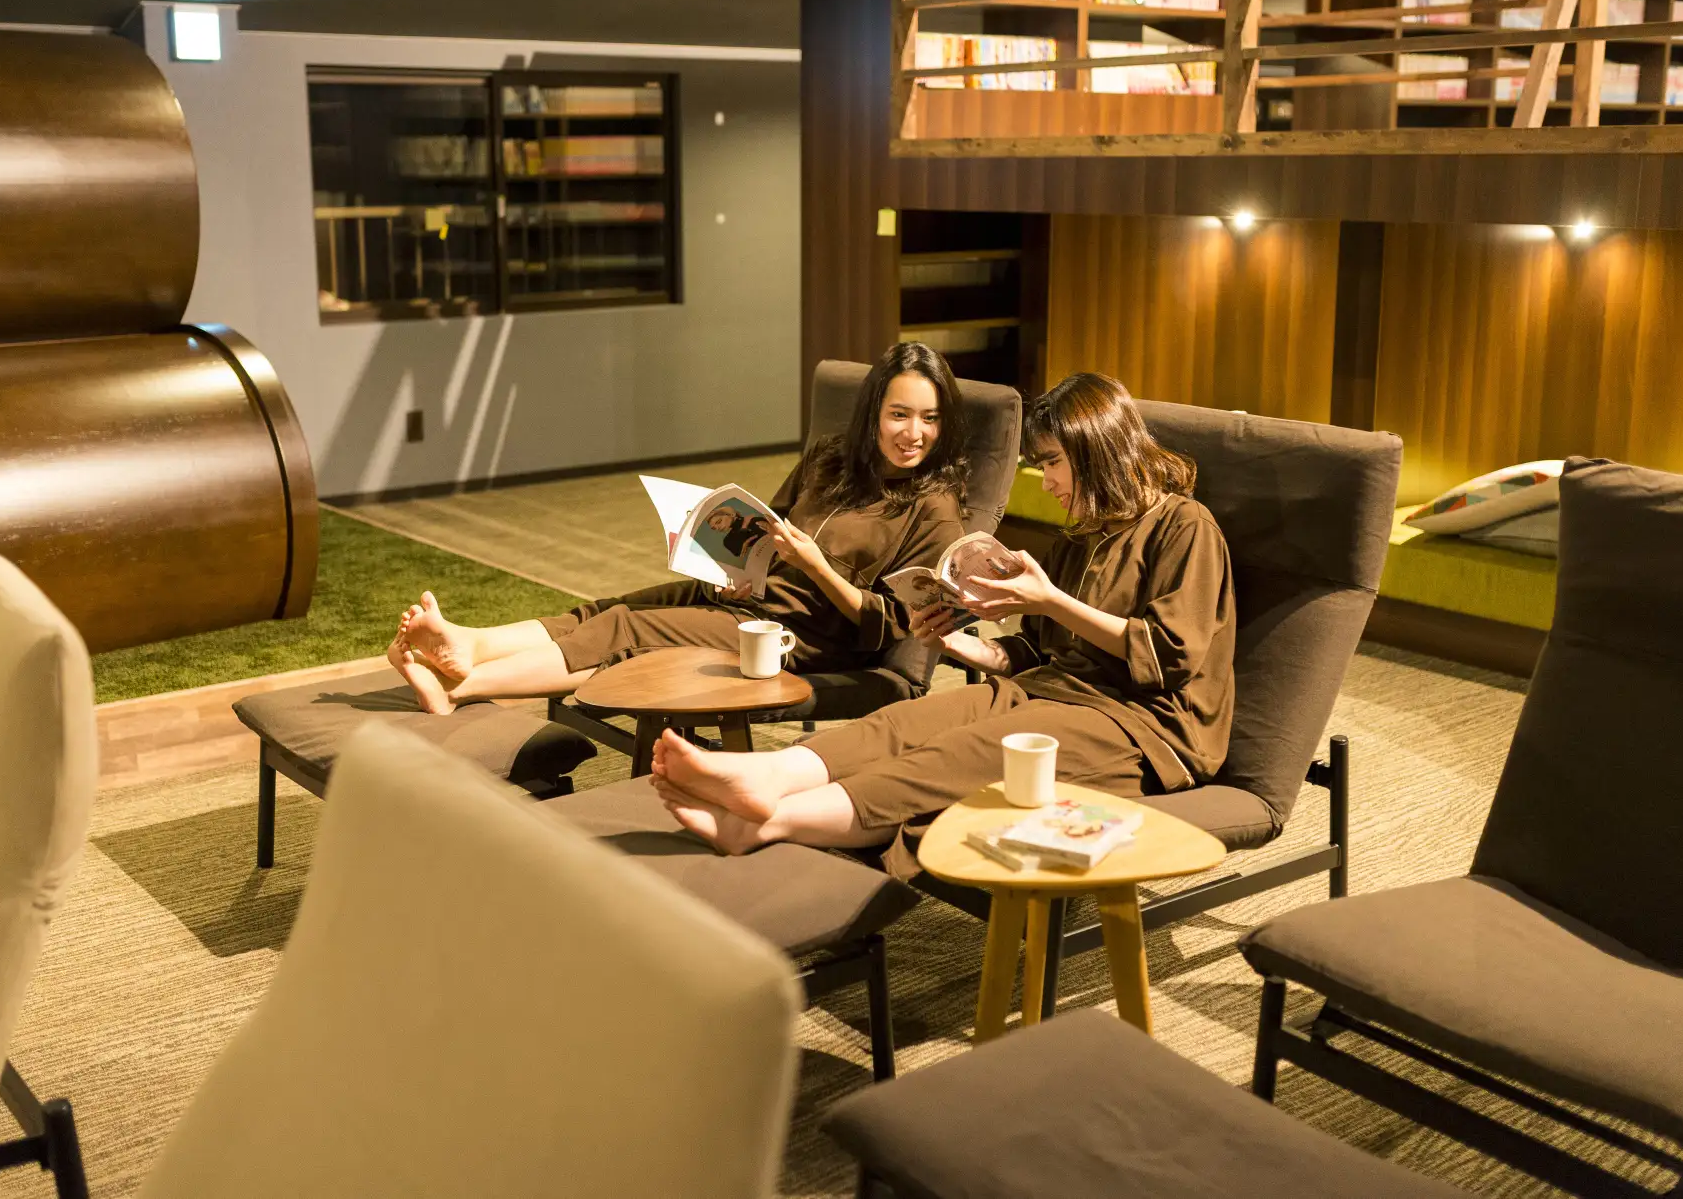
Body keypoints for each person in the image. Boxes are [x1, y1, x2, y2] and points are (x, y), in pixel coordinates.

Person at [649, 372, 1235, 878]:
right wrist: (962, 645)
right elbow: (1040, 653)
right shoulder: (1082, 535)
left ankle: (766, 822)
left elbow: (1170, 655)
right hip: (1054, 690)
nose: (1049, 482)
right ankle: (765, 773)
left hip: (1146, 724)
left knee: (960, 752)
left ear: (1095, 449)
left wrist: (1051, 600)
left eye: (1054, 463)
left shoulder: (1185, 526)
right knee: (904, 722)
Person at [388, 342, 972, 713]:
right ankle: (473, 644)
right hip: (753, 598)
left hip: (801, 636)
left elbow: (891, 627)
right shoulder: (831, 459)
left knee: (625, 629)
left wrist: (815, 567)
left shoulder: (935, 508)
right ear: (873, 414)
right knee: (609, 608)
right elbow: (767, 527)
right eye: (899, 415)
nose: (913, 434)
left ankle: (460, 686)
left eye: (929, 418)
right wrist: (734, 568)